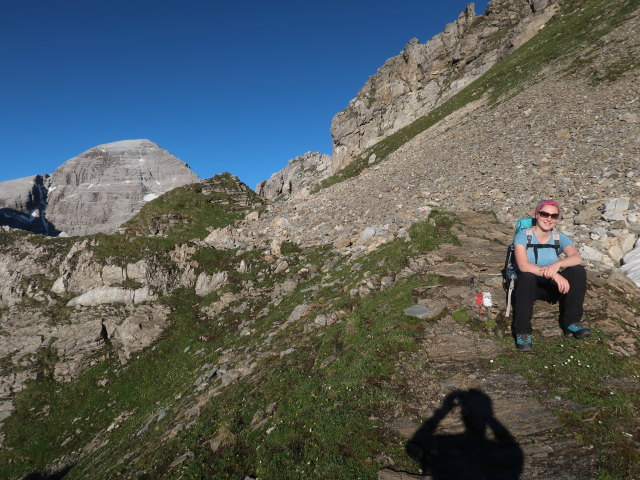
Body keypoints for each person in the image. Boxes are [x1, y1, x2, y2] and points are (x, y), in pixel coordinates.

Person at [512, 200, 590, 352]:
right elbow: (523, 265)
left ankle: (572, 321)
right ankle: (522, 332)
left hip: (551, 286)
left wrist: (557, 266)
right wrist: (555, 275)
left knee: (578, 270)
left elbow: (576, 257)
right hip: (530, 286)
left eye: (554, 216)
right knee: (526, 276)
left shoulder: (558, 237)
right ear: (537, 214)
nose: (549, 219)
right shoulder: (523, 236)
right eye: (545, 214)